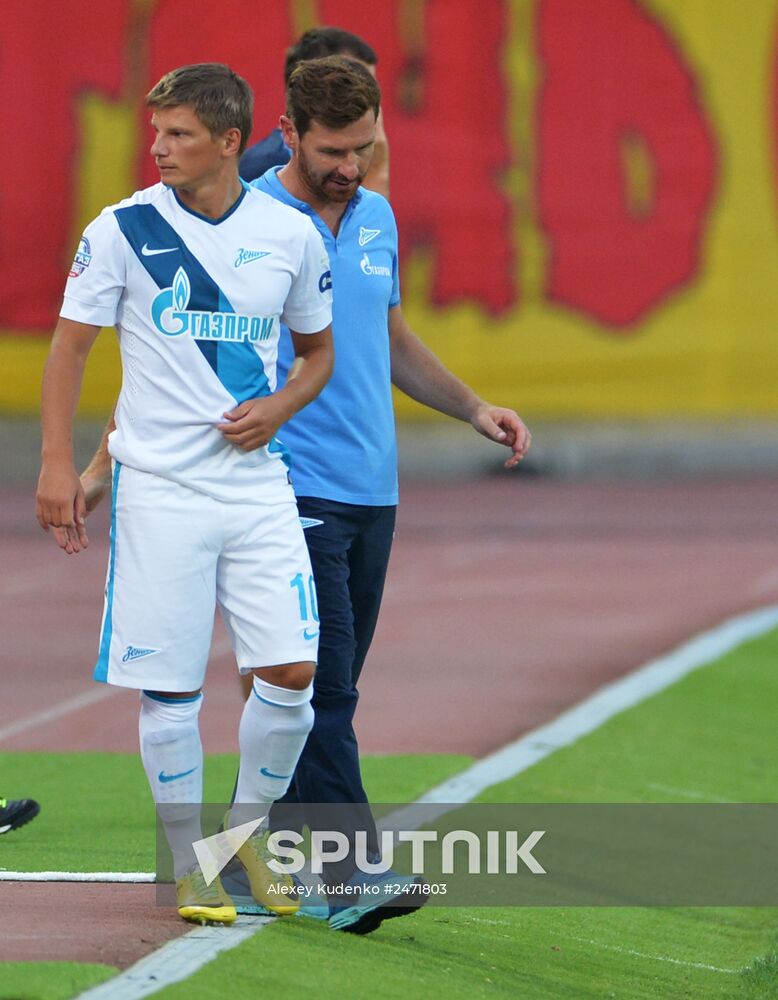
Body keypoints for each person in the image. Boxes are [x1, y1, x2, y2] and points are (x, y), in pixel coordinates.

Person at [71, 56, 531, 935]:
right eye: (335, 149)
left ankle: (258, 853)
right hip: (286, 485)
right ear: (288, 134)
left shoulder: (375, 218)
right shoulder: (240, 219)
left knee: (326, 684)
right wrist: (99, 466)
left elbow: (383, 338)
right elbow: (175, 364)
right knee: (314, 687)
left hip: (372, 486)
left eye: (365, 147)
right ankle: (347, 873)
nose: (352, 166)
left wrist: (473, 406)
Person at [36, 62, 334, 926]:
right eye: (156, 132)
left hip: (256, 491)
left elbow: (316, 355)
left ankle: (240, 844)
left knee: (291, 675)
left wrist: (276, 406)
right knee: (171, 689)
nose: (158, 148)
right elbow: (69, 349)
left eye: (179, 135)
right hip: (161, 493)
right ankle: (187, 869)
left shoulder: (290, 234)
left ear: (230, 141)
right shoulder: (124, 229)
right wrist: (63, 465)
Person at [240, 26, 390, 199]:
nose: (367, 103)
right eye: (349, 84)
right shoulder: (254, 173)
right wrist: (377, 174)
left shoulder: (350, 176)